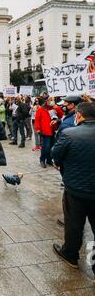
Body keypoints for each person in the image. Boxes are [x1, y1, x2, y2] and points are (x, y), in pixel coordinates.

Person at [51, 102, 95, 275]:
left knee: (74, 224)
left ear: (79, 116)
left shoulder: (69, 134)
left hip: (75, 189)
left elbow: (55, 155)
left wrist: (61, 164)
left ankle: (70, 254)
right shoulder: (70, 133)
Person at [35, 97, 63, 168]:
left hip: (53, 130)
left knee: (51, 146)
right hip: (45, 131)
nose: (51, 101)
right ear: (46, 101)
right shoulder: (41, 109)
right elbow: (37, 119)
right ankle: (42, 160)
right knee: (45, 147)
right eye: (50, 100)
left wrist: (57, 108)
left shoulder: (55, 108)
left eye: (52, 100)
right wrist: (38, 128)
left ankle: (49, 159)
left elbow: (61, 116)